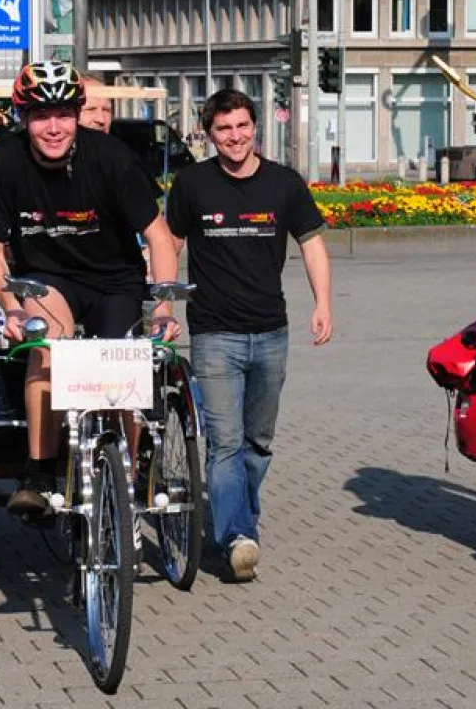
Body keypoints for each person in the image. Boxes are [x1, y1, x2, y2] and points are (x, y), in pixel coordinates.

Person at [0, 60, 181, 517]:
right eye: (42, 116)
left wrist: (162, 306)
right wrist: (10, 306)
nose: (54, 127)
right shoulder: (4, 160)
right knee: (46, 348)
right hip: (46, 276)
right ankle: (39, 471)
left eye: (64, 114)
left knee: (124, 359)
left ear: (77, 114)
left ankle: (132, 464)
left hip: (114, 278)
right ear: (24, 118)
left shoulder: (112, 157)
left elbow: (159, 237)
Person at [165, 88, 333, 582]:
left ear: (255, 127)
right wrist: (162, 305)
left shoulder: (284, 183)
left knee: (258, 442)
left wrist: (323, 303)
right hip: (214, 332)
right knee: (225, 443)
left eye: (241, 126)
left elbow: (313, 244)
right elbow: (169, 245)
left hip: (270, 332)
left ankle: (241, 517)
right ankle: (237, 534)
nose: (234, 137)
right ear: (208, 134)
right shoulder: (193, 183)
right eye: (223, 129)